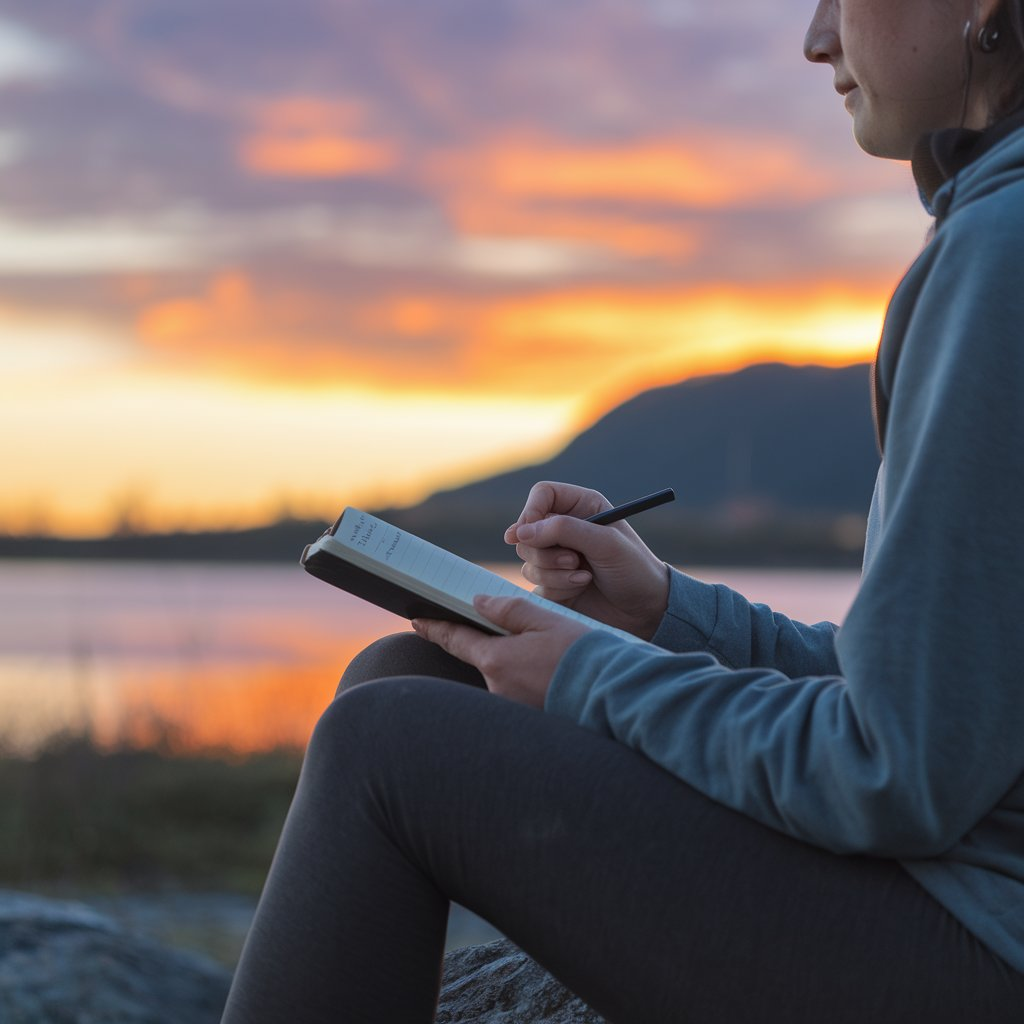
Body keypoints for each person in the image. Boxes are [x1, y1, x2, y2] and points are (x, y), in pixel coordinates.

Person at [221, 0, 1024, 1020]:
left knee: (385, 746)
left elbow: (891, 772)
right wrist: (662, 615)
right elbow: (954, 706)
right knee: (415, 671)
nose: (815, 37)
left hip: (982, 950)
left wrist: (588, 675)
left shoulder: (1000, 256)